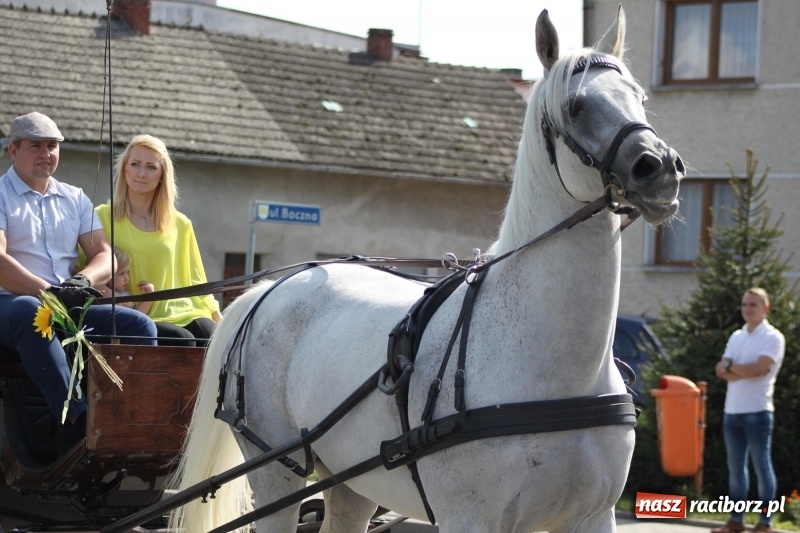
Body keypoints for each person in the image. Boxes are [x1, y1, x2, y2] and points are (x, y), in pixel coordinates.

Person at [0, 112, 157, 434]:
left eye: (52, 146)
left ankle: (129, 414)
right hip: (13, 305)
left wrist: (83, 280)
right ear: (12, 151)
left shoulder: (74, 198)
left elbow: (105, 255)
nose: (46, 154)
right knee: (32, 310)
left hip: (67, 303)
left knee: (138, 323)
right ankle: (77, 416)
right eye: (36, 146)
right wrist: (50, 292)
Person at [95, 134, 221, 347]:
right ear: (125, 169)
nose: (141, 174)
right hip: (136, 312)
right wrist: (110, 295)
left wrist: (218, 316)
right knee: (184, 341)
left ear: (162, 175)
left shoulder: (181, 223)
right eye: (135, 164)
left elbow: (196, 279)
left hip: (183, 309)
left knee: (212, 337)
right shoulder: (102, 217)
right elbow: (85, 270)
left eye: (151, 167)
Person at [712, 288, 785, 533]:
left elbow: (759, 369)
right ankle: (736, 520)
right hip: (732, 411)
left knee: (761, 467)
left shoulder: (773, 337)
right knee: (736, 469)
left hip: (758, 411)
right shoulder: (736, 336)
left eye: (753, 304)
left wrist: (732, 368)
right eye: (744, 304)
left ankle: (765, 523)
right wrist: (738, 369)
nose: (747, 309)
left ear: (765, 308)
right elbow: (720, 370)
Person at [95, 247, 154, 315]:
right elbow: (135, 319)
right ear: (105, 275)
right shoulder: (101, 298)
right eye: (121, 273)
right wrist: (149, 297)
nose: (127, 278)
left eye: (127, 272)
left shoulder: (124, 294)